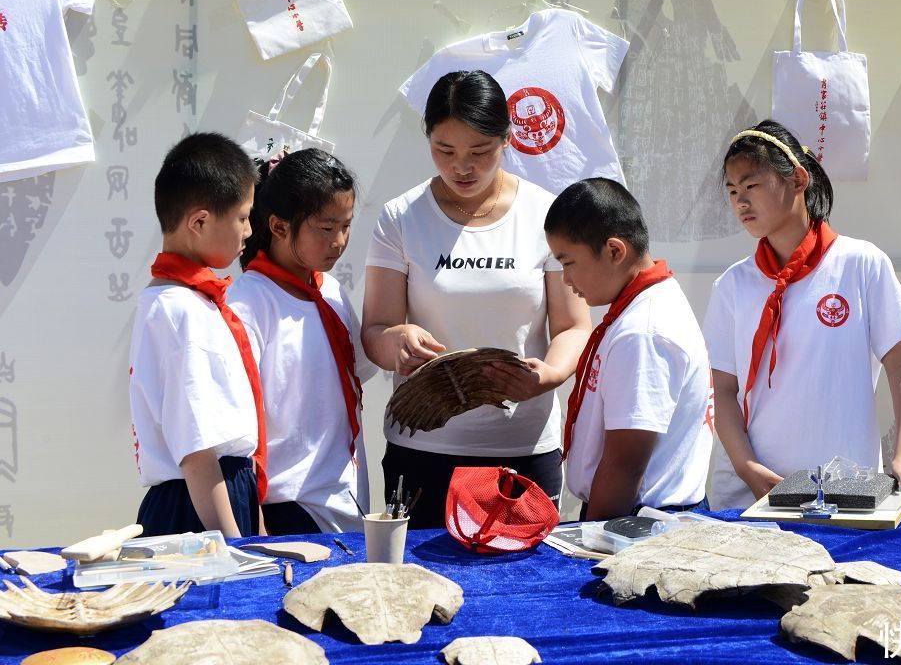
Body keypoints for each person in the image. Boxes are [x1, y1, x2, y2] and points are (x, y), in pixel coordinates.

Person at [362, 70, 591, 529]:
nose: (461, 167)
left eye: (479, 152)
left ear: (507, 140)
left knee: (525, 591)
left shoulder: (546, 214)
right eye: (444, 151)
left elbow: (574, 326)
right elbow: (375, 330)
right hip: (424, 447)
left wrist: (547, 375)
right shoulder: (401, 218)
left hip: (523, 450)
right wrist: (398, 341)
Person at [703, 120, 901, 510]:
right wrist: (747, 468)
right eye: (731, 190)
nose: (740, 202)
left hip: (847, 491)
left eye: (751, 186)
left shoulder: (860, 263)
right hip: (753, 493)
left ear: (797, 180)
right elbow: (723, 390)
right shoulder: (733, 285)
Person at [544, 178, 713, 520]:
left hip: (637, 524)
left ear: (614, 251)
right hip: (637, 516)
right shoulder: (644, 307)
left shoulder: (643, 331)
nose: (566, 280)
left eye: (568, 262)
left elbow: (624, 466)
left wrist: (589, 547)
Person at [228, 148, 377, 534]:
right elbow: (236, 425)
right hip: (286, 503)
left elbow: (357, 369)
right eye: (326, 229)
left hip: (347, 497)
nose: (339, 241)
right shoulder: (246, 303)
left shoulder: (331, 290)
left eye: (346, 226)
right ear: (278, 226)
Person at [129, 132, 263, 537]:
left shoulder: (194, 302)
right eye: (242, 217)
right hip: (199, 507)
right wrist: (235, 546)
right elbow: (196, 451)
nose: (249, 230)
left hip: (220, 492)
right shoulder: (177, 309)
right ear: (199, 222)